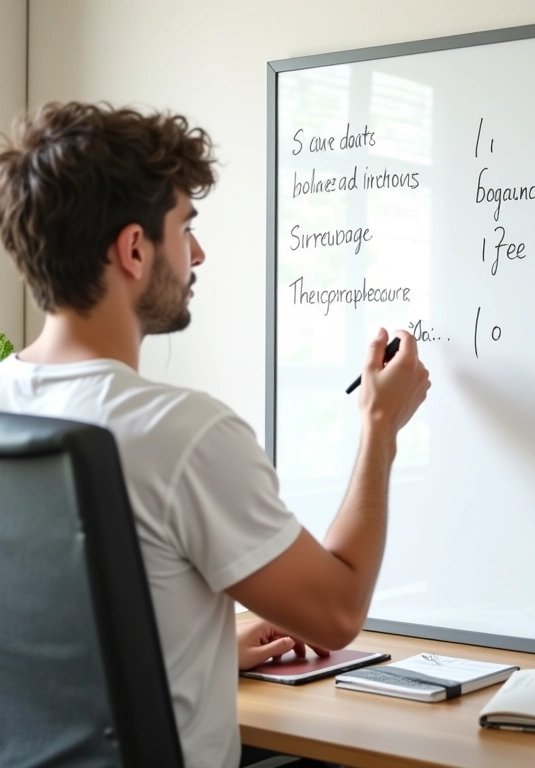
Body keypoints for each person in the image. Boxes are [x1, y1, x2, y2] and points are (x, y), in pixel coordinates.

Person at [0, 102, 431, 768]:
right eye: (184, 227)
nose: (196, 253)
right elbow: (339, 611)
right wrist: (381, 428)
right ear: (134, 249)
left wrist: (186, 655)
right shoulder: (181, 434)